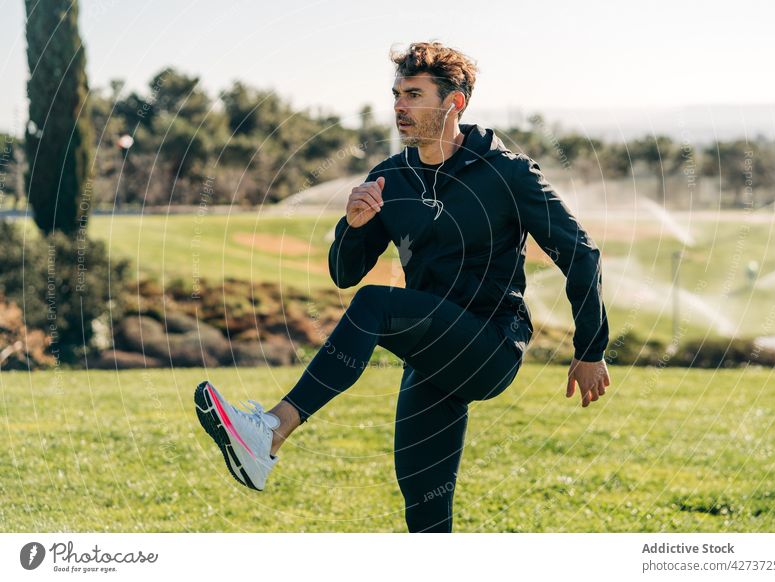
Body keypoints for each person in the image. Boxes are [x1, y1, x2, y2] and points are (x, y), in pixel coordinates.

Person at [195, 41, 611, 533]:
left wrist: (590, 349)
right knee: (424, 507)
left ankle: (272, 430)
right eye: (396, 94)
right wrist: (352, 225)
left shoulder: (508, 172)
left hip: (491, 345)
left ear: (453, 102)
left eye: (413, 94)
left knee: (375, 304)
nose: (399, 106)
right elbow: (344, 273)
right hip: (430, 354)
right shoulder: (390, 178)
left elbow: (580, 253)